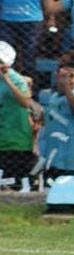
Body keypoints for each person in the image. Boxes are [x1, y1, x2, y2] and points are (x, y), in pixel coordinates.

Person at [0, 41, 33, 189]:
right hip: (3, 134)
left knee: (14, 180)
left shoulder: (17, 80)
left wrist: (7, 80)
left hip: (15, 136)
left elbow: (26, 103)